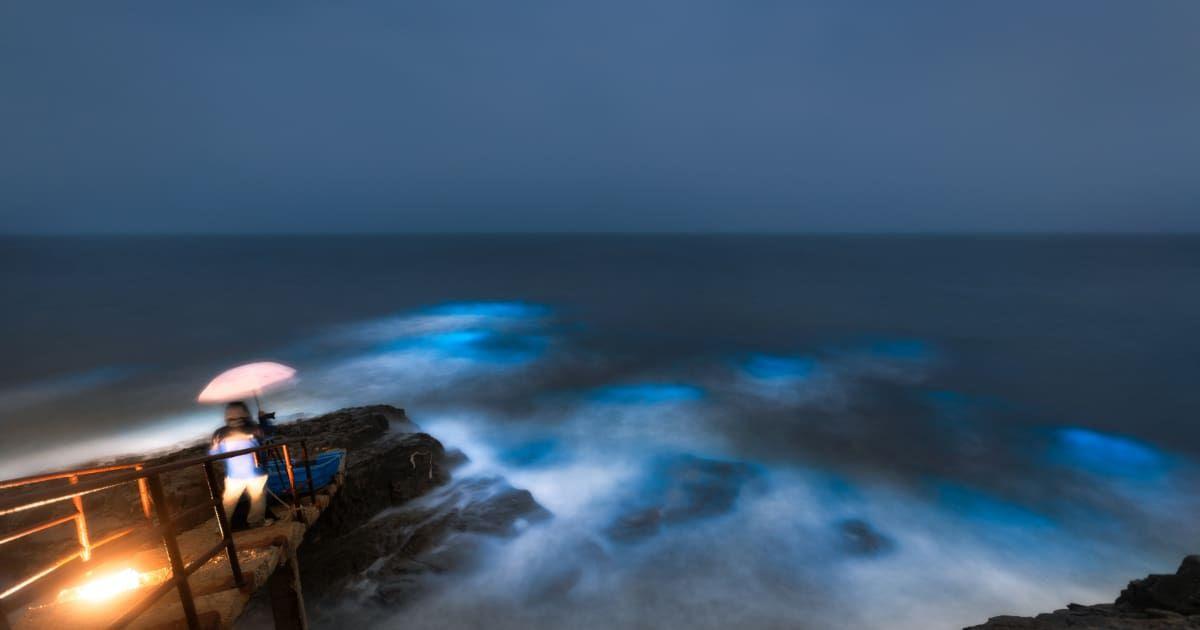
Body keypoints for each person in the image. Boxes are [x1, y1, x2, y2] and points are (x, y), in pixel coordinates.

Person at [210, 401, 272, 528]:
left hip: (233, 475)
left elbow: (214, 453)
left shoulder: (219, 434)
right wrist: (263, 419)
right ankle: (256, 522)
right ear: (245, 413)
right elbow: (269, 433)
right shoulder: (255, 429)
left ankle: (221, 527)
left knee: (228, 502)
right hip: (256, 472)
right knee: (258, 499)